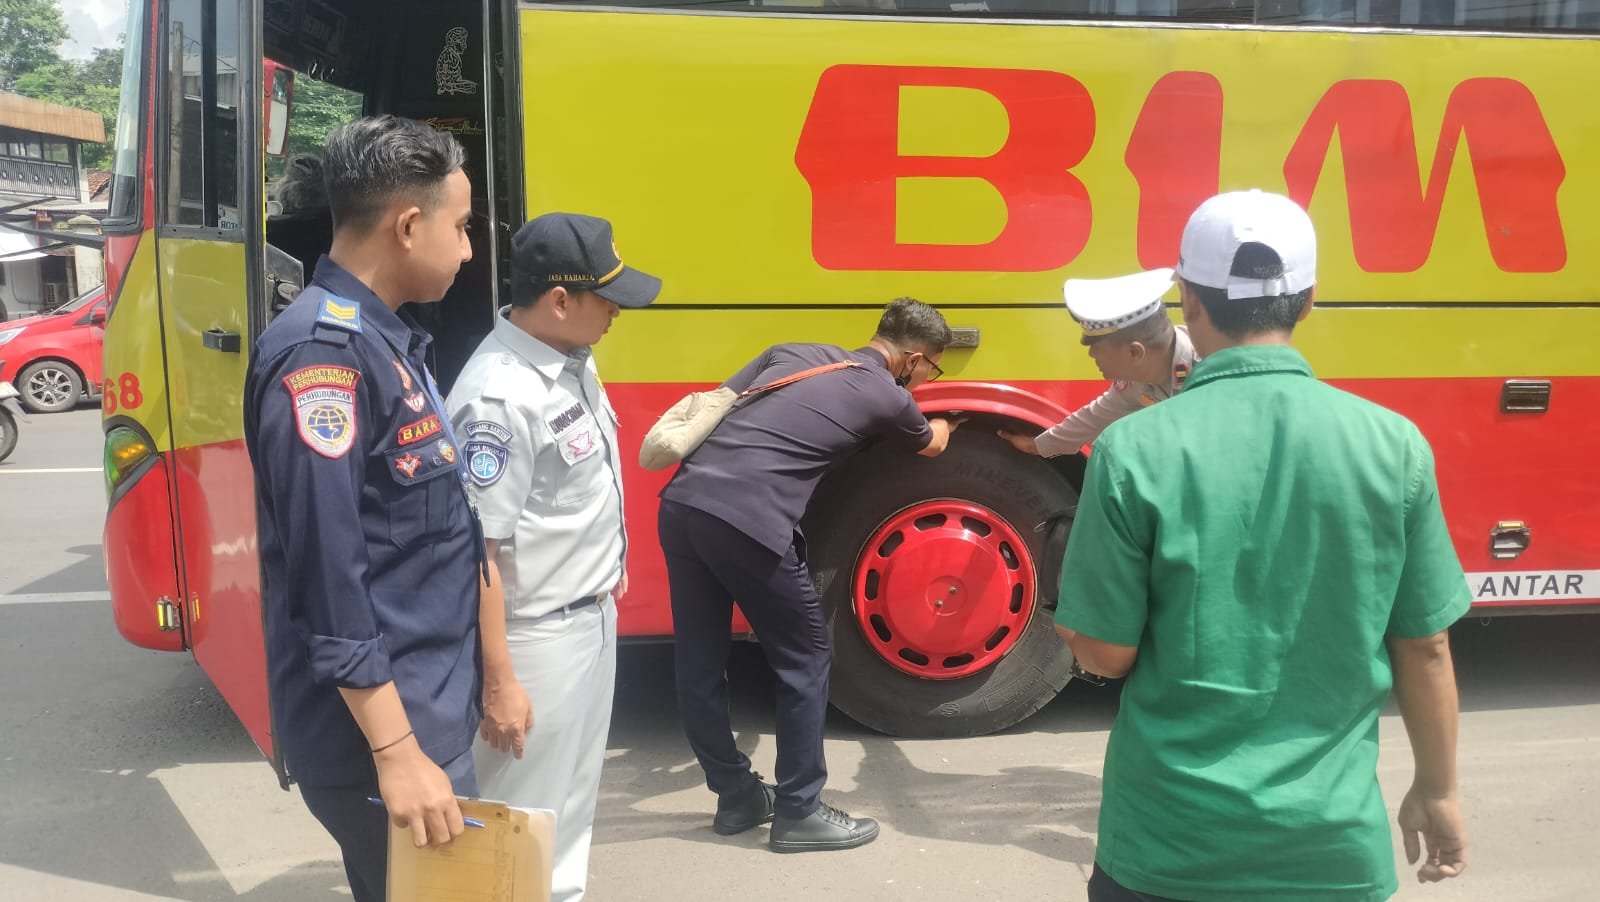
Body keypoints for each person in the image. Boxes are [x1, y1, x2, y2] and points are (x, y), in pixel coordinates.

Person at [1055, 190, 1470, 901]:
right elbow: (1425, 646)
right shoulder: (1393, 444)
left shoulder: (1133, 449)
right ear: (1307, 301)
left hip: (1169, 847)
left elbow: (1103, 653)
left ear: (1188, 300)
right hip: (1332, 850)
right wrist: (1438, 790)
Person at [243, 115, 482, 902]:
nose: (470, 250)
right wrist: (399, 755)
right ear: (409, 225)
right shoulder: (324, 357)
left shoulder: (388, 341)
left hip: (427, 714)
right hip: (386, 744)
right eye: (464, 226)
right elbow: (328, 581)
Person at [659, 298, 961, 853]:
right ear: (913, 360)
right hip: (747, 519)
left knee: (698, 660)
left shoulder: (791, 352)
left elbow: (723, 400)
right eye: (931, 369)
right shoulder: (886, 394)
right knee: (805, 657)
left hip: (681, 504)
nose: (925, 378)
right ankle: (799, 810)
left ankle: (735, 796)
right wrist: (941, 417)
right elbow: (932, 444)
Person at [445, 212, 660, 902]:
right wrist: (501, 679)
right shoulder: (498, 395)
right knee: (516, 822)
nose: (617, 314)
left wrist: (606, 562)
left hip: (589, 621)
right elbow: (479, 548)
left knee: (568, 807)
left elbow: (577, 486)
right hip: (534, 639)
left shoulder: (568, 360)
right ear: (561, 300)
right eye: (609, 299)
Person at [999, 268, 1196, 461]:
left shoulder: (1210, 370)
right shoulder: (1137, 379)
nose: (1091, 354)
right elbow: (1094, 418)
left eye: (1096, 346)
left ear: (1134, 352)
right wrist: (1037, 446)